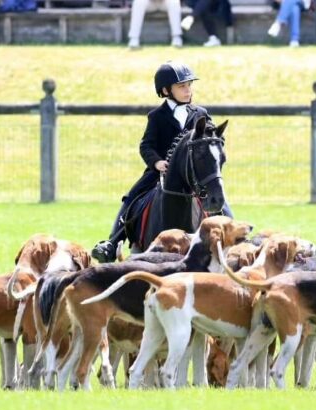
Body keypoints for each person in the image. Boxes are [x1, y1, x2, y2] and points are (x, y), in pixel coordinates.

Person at [91, 61, 232, 263]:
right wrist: (157, 162)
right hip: (161, 172)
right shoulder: (157, 116)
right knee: (132, 198)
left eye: (189, 85)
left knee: (220, 200)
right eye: (182, 86)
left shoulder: (200, 113)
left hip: (192, 174)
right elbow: (146, 146)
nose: (188, 90)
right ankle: (112, 242)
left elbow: (212, 138)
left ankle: (236, 240)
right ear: (166, 90)